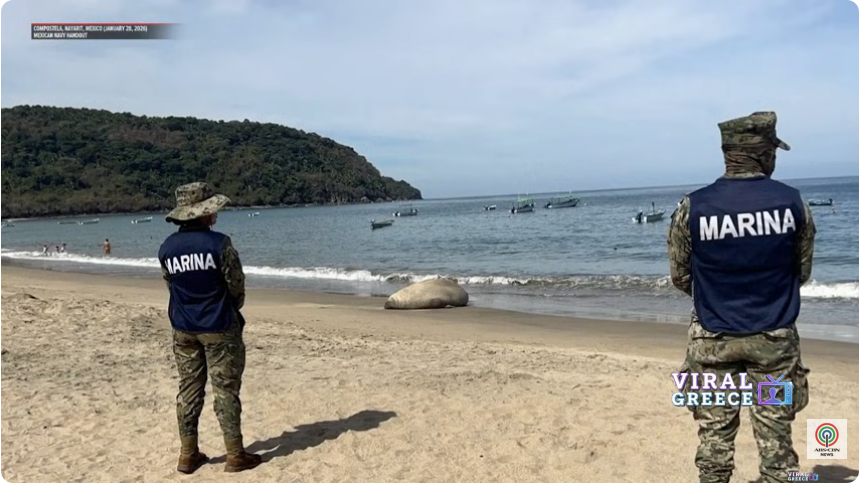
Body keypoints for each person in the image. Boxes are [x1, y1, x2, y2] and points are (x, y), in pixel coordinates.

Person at [668, 111, 814, 483]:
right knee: (776, 442)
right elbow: (802, 271)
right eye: (773, 151)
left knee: (714, 440)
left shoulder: (694, 206)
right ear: (764, 154)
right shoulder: (793, 203)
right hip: (774, 339)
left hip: (712, 337)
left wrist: (720, 294)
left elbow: (680, 276)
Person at [157, 182, 261, 474]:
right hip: (218, 324)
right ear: (205, 214)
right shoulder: (219, 244)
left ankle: (187, 454)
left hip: (183, 326)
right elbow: (236, 286)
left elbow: (171, 285)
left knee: (189, 389)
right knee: (225, 390)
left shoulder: (166, 248)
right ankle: (235, 454)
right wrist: (231, 308)